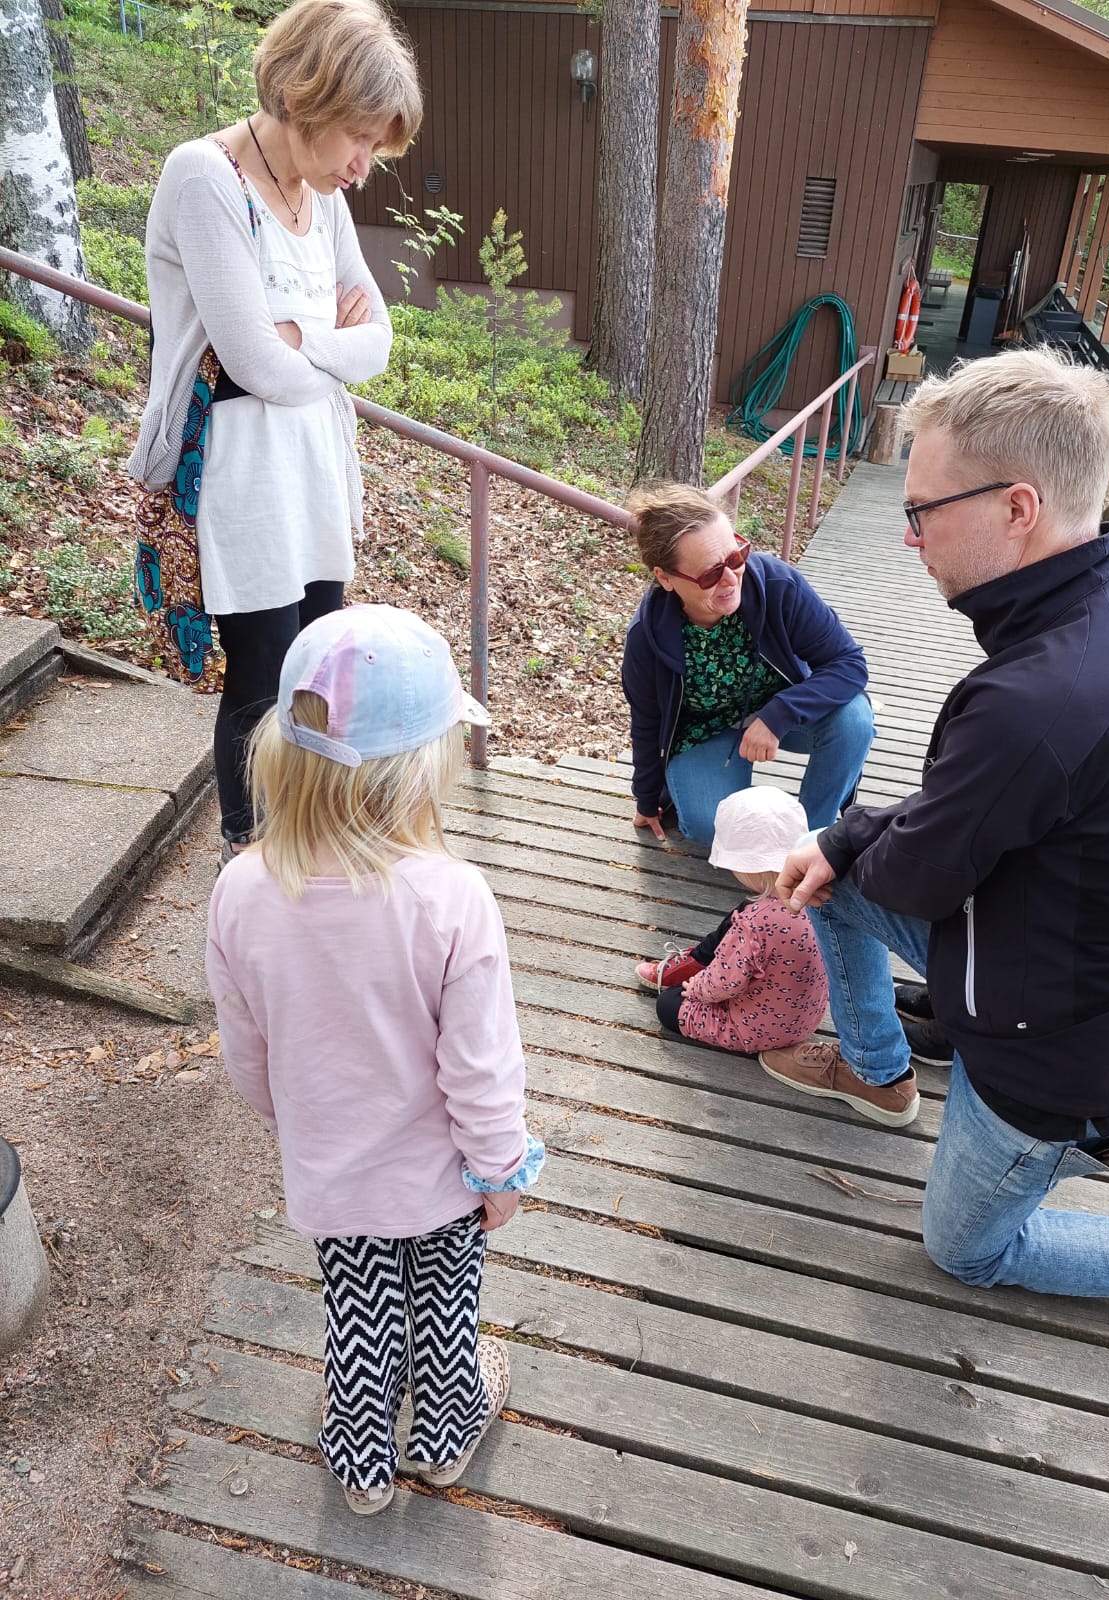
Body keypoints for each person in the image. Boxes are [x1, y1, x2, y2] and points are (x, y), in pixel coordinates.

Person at [762, 346, 1109, 1314]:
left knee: (962, 1247)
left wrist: (846, 840)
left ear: (1018, 508)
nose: (909, 537)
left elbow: (916, 874)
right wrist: (841, 840)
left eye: (922, 511)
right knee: (833, 860)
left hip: (1064, 1058)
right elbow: (960, 821)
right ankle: (883, 1072)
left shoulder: (1031, 699)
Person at [206, 605, 545, 1513]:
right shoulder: (452, 898)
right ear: (423, 767)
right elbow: (482, 1069)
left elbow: (246, 1049)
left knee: (356, 1316)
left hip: (330, 1169)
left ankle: (359, 1470)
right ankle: (441, 1438)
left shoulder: (242, 889)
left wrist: (303, 1114)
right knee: (443, 1311)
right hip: (439, 1179)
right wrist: (499, 1170)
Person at [128, 0, 421, 862]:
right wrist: (317, 346)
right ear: (307, 96)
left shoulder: (320, 197)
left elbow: (380, 341)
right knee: (261, 678)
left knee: (319, 666)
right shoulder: (204, 176)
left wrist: (305, 341)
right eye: (360, 138)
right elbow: (253, 365)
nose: (366, 166)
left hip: (312, 465)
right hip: (240, 475)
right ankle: (248, 861)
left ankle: (307, 844)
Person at [621, 484, 875, 849]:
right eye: (710, 574)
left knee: (854, 718)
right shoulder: (647, 637)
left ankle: (813, 841)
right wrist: (646, 799)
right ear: (666, 579)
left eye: (736, 556)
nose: (731, 578)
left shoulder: (777, 584)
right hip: (706, 730)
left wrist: (777, 715)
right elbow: (647, 721)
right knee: (709, 828)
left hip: (785, 714)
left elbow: (848, 663)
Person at [638, 786, 829, 1056]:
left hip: (756, 1029)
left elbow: (726, 983)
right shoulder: (821, 896)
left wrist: (697, 988)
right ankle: (697, 962)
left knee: (668, 1005)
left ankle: (691, 971)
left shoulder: (754, 922)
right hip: (806, 1018)